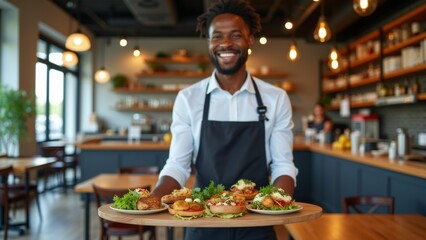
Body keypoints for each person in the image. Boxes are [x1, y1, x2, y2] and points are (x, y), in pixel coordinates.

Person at [151, 0, 298, 239]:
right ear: (209, 42)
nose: (226, 43)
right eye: (217, 36)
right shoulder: (189, 99)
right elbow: (178, 165)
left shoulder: (276, 98)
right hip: (202, 220)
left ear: (250, 40)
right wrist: (154, 198)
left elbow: (283, 165)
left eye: (236, 35)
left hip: (256, 223)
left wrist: (278, 203)